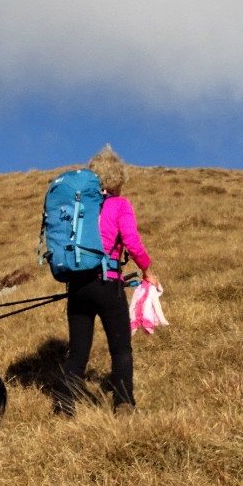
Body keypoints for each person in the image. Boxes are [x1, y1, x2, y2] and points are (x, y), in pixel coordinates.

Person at [56, 144, 157, 417]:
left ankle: (64, 408)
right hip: (107, 283)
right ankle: (124, 405)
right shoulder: (120, 205)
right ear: (117, 179)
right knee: (121, 349)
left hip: (77, 287)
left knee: (77, 353)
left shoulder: (79, 208)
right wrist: (147, 270)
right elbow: (132, 242)